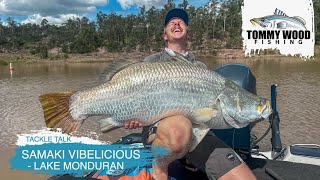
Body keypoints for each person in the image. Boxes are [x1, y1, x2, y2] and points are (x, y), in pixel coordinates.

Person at [124, 8, 256, 180]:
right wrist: (131, 114)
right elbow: (134, 95)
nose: (177, 23)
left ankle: (189, 157)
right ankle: (159, 164)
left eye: (181, 21)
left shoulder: (200, 68)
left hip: (198, 132)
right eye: (171, 22)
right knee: (179, 129)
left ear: (187, 32)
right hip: (162, 132)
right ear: (165, 35)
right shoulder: (151, 62)